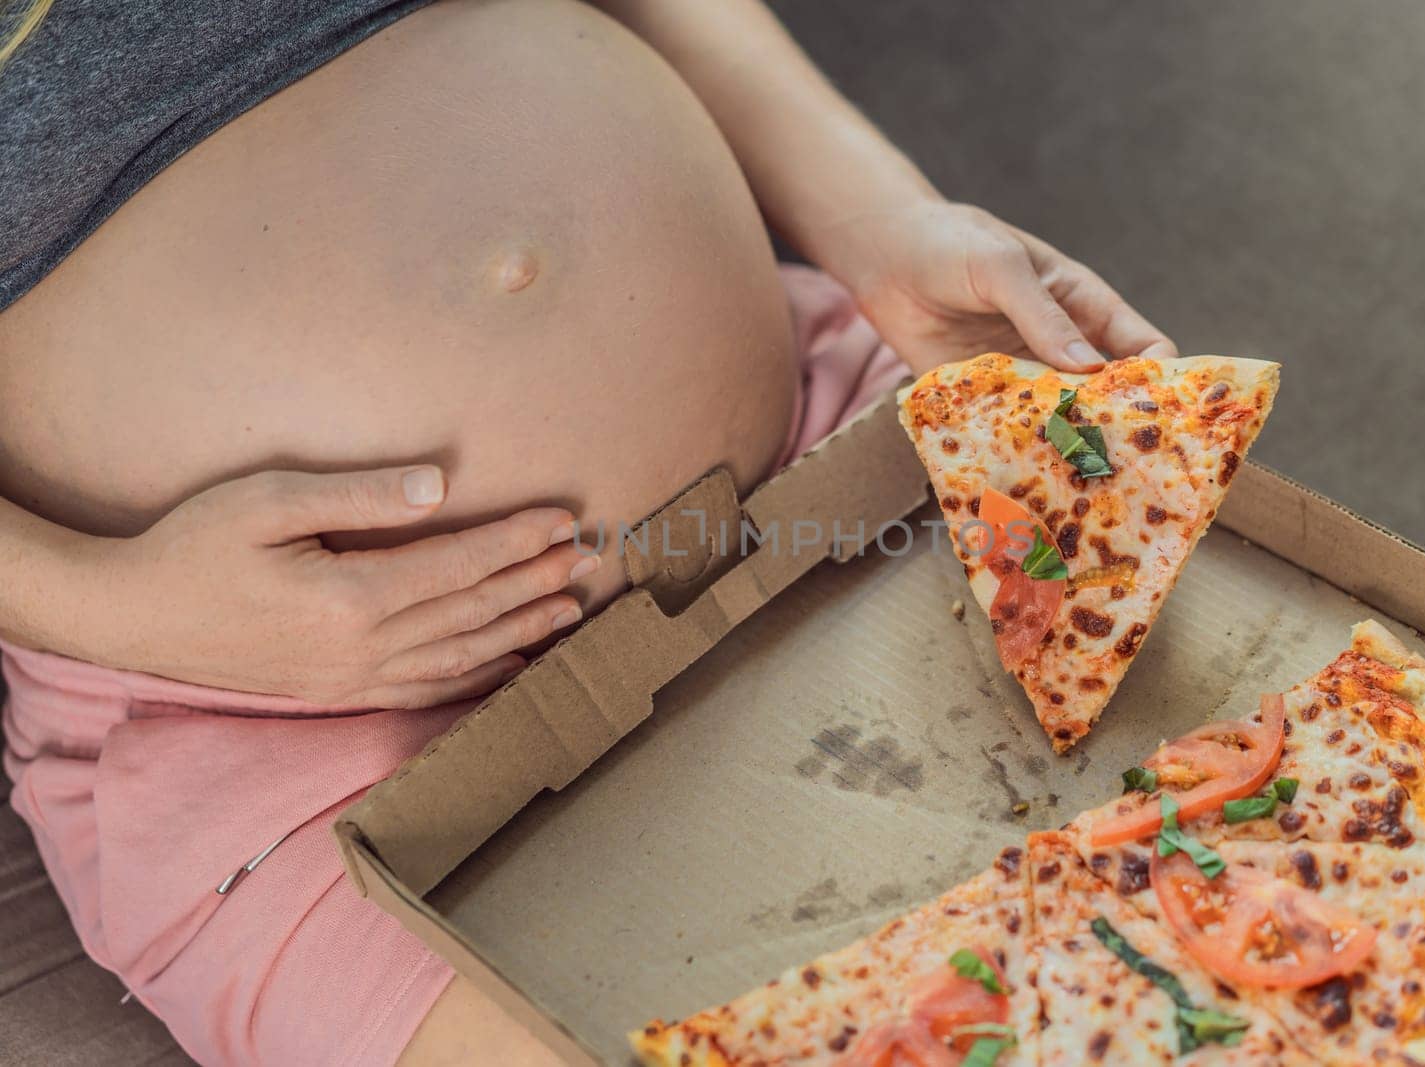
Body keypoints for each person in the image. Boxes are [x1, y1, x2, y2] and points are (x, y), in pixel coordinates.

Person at [0, 0, 1175, 1062]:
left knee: (1237, 898)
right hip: (275, 706)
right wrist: (115, 602)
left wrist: (882, 220)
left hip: (823, 445)